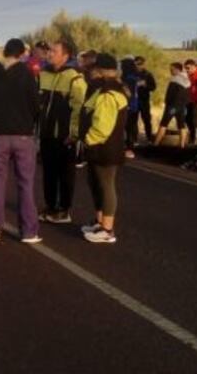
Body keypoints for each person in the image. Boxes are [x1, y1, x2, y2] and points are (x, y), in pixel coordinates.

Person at [0, 38, 41, 243]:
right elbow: (35, 105)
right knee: (26, 183)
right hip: (23, 134)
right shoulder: (27, 74)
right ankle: (29, 231)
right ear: (21, 53)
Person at [79, 53, 129, 244]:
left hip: (105, 148)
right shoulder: (103, 89)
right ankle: (99, 222)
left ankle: (107, 229)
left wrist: (88, 140)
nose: (90, 72)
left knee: (106, 185)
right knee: (96, 183)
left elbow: (103, 126)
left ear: (99, 71)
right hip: (99, 147)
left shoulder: (109, 93)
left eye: (92, 69)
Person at [38, 39, 86, 224]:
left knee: (65, 174)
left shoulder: (74, 78)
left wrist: (74, 134)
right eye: (49, 50)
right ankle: (50, 206)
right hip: (46, 133)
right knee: (48, 172)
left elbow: (79, 108)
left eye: (54, 51)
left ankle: (64, 210)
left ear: (65, 56)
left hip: (65, 136)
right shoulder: (43, 74)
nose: (49, 53)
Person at [154, 62, 191, 149]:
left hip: (172, 106)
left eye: (172, 69)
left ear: (177, 69)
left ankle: (156, 144)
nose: (170, 71)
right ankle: (182, 145)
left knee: (164, 123)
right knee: (181, 125)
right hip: (182, 106)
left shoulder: (175, 80)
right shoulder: (187, 79)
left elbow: (170, 95)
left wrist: (167, 104)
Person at [120, 57, 140, 158]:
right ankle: (130, 148)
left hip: (127, 105)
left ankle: (127, 149)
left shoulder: (127, 78)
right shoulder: (135, 76)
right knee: (130, 128)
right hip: (134, 105)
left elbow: (128, 93)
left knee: (125, 128)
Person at [134, 56, 157, 142]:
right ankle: (134, 138)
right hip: (134, 101)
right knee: (133, 120)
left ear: (143, 64)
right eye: (136, 64)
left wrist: (145, 85)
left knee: (146, 119)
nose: (138, 66)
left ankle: (149, 138)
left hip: (144, 100)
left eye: (140, 64)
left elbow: (153, 87)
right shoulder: (131, 74)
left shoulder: (148, 74)